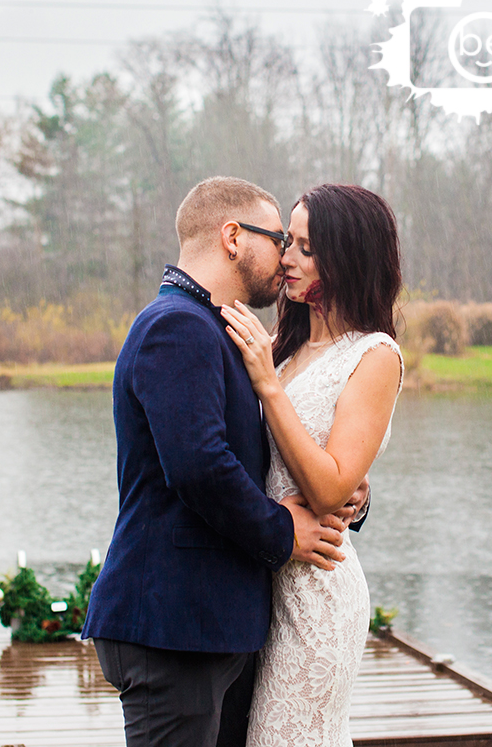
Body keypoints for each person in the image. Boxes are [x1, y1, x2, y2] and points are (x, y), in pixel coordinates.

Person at [81, 176, 367, 747]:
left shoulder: (219, 329)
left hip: (207, 623)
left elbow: (255, 454)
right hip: (173, 622)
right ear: (232, 237)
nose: (285, 255)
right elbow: (199, 467)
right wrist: (285, 529)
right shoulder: (177, 328)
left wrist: (346, 491)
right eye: (278, 238)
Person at [219, 183, 404, 747]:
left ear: (348, 256)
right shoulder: (282, 344)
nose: (287, 258)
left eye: (305, 247)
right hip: (263, 589)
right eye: (287, 241)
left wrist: (268, 388)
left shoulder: (374, 356)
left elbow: (328, 492)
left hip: (317, 594)